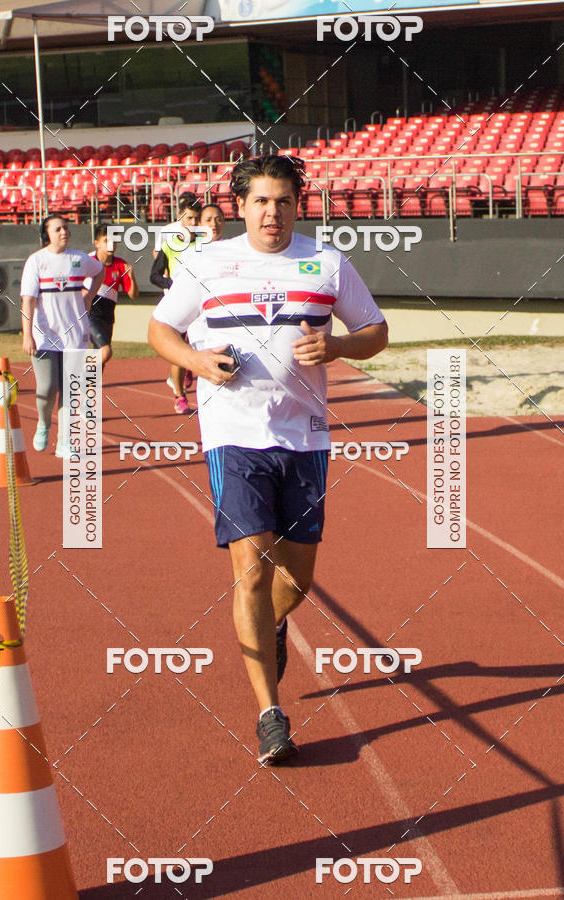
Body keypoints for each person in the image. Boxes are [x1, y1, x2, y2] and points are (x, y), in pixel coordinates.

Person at [147, 155, 388, 764]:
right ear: (240, 206)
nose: (271, 212)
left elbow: (376, 331)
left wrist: (338, 344)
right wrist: (197, 362)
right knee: (251, 570)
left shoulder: (326, 261)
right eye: (260, 201)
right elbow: (160, 329)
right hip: (233, 433)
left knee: (297, 579)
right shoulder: (206, 262)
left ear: (298, 206)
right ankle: (269, 714)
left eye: (283, 201)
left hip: (305, 437)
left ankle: (273, 624)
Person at [21, 214, 104, 458]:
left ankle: (64, 442)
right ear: (47, 234)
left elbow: (99, 271)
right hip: (45, 335)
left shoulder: (78, 258)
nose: (63, 232)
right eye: (57, 229)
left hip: (75, 334)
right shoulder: (36, 261)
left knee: (70, 389)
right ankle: (44, 423)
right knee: (48, 387)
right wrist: (27, 335)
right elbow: (28, 301)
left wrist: (89, 296)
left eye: (66, 228)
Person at [150, 192, 202, 414]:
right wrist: (172, 283)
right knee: (180, 347)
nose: (192, 222)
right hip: (177, 301)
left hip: (202, 301)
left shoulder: (205, 242)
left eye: (196, 218)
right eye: (189, 218)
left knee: (197, 344)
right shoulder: (169, 240)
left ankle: (186, 373)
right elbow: (155, 271)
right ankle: (179, 395)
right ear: (180, 217)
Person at [85, 222, 138, 370]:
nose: (111, 244)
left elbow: (133, 295)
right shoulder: (87, 261)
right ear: (97, 243)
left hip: (107, 316)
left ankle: (88, 384)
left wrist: (132, 277)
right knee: (105, 351)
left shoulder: (121, 265)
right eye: (106, 240)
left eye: (114, 241)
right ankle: (78, 374)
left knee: (99, 357)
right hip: (89, 314)